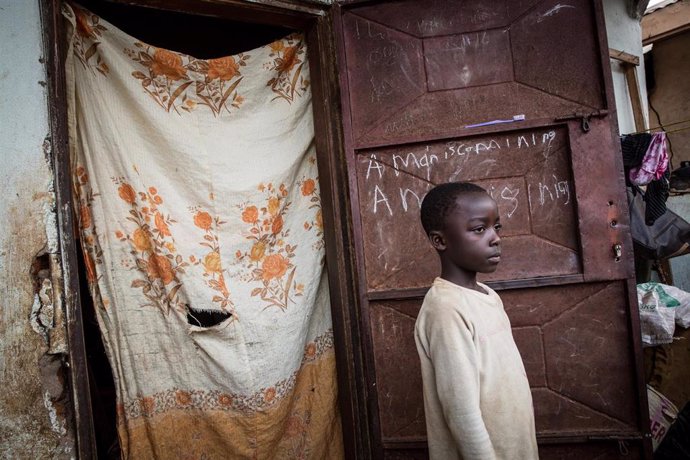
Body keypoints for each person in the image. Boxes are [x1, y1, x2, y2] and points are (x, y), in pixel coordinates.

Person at [415, 182, 538, 460]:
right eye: (479, 229)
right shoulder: (445, 308)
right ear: (440, 241)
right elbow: (462, 413)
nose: (495, 238)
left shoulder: (487, 295)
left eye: (497, 227)